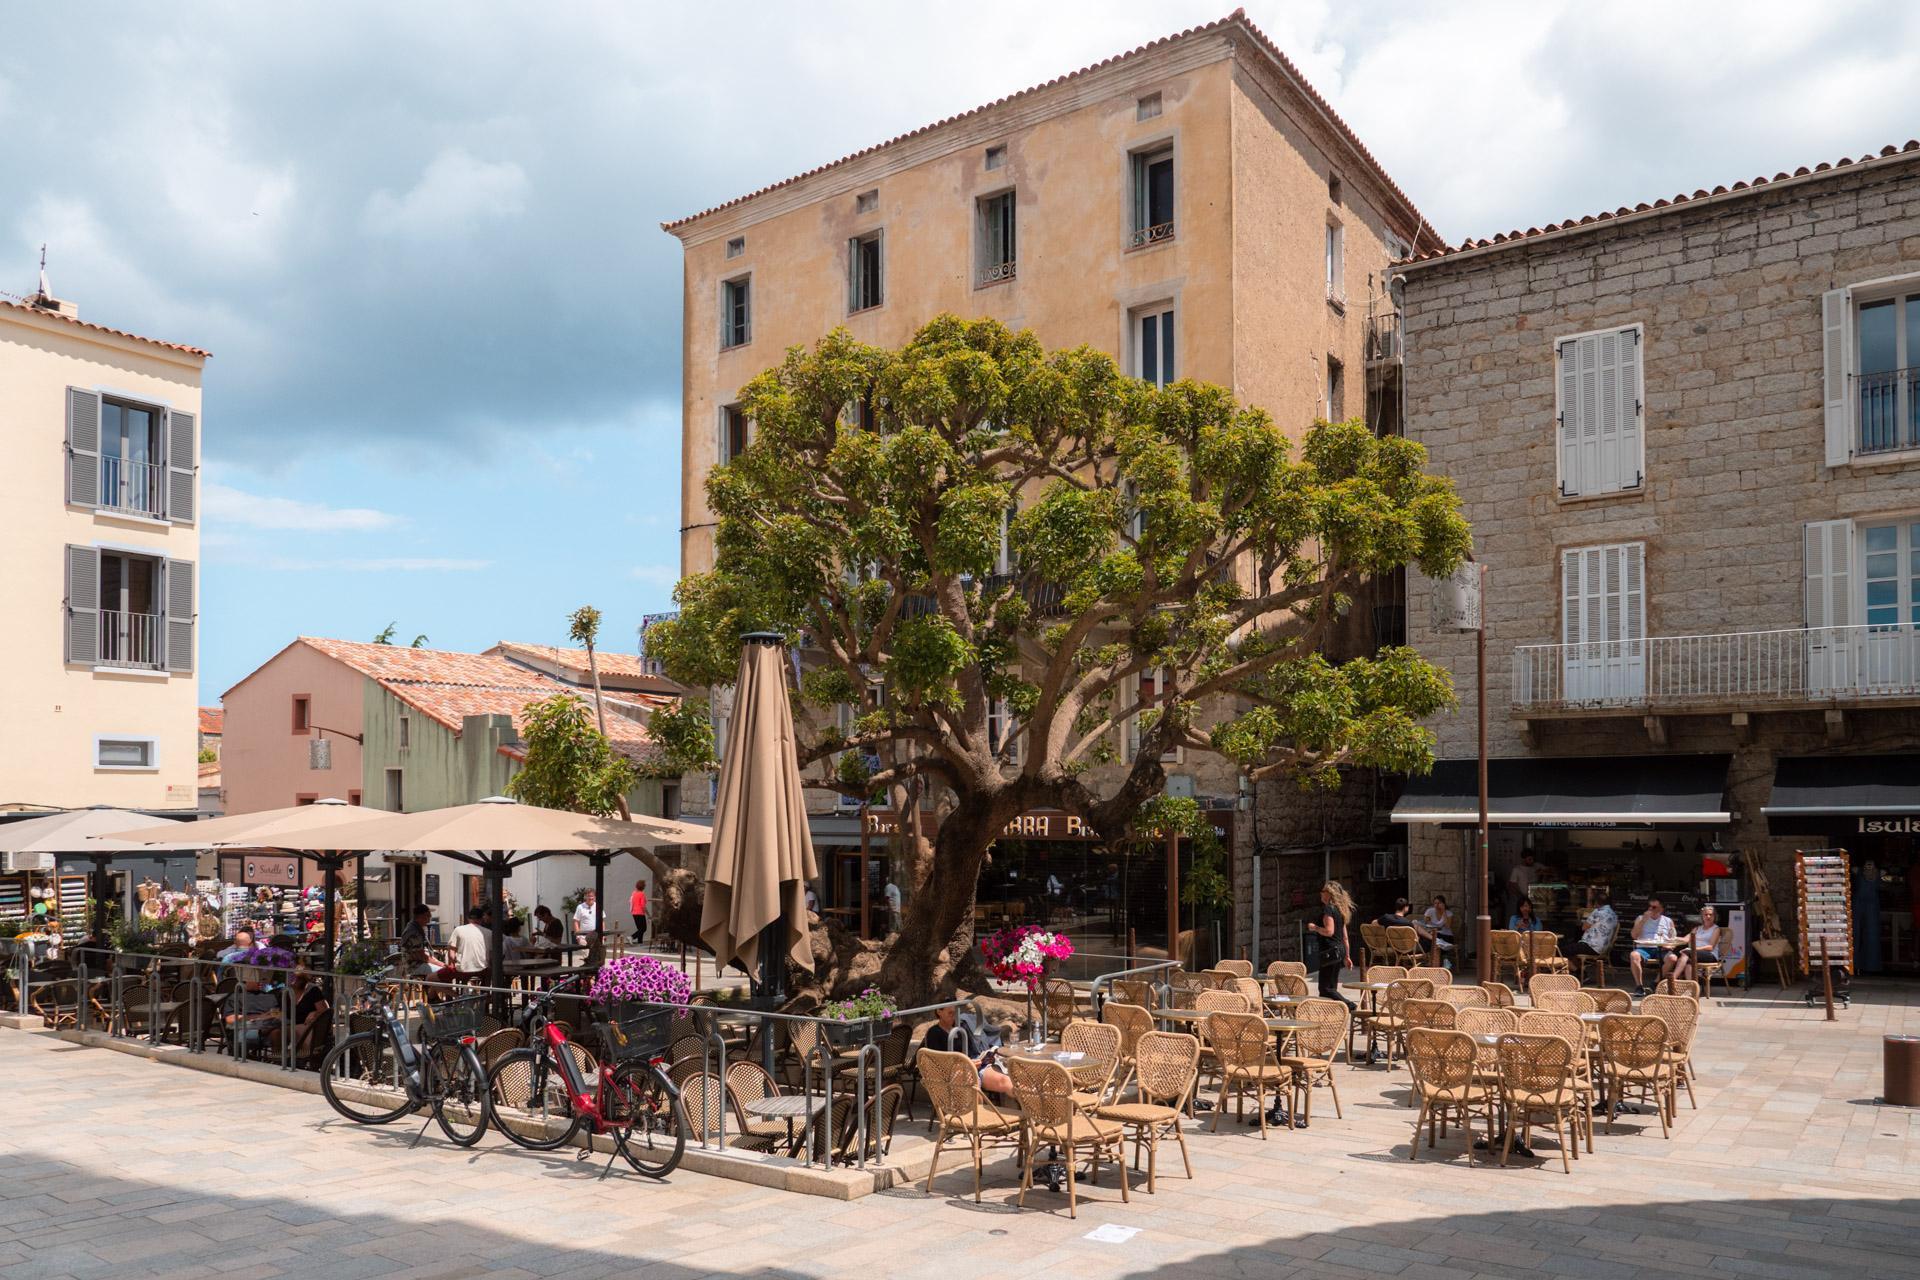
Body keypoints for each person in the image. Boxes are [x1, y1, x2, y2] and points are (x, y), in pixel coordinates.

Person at [919, 1004, 1012, 1094]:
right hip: (955, 1072)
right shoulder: (934, 1033)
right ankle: (977, 1104)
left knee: (1005, 1081)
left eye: (955, 1013)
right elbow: (937, 1066)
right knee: (971, 1085)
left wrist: (986, 1058)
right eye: (950, 1013)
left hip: (973, 1065)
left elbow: (973, 1050)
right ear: (939, 1012)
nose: (954, 1016)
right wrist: (966, 1065)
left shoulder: (962, 1026)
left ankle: (1021, 1102)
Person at [1309, 881, 1356, 1007]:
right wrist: (1347, 956)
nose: (1321, 893)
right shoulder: (1341, 911)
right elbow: (1345, 937)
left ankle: (1350, 1006)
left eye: (1323, 891)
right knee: (1331, 987)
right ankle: (1332, 1013)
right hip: (1338, 951)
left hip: (1329, 951)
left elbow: (1329, 931)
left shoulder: (1329, 909)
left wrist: (1315, 928)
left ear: (1329, 894)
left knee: (1325, 989)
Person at [1627, 896, 1677, 994]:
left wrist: (1670, 946)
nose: (1650, 909)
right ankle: (1639, 986)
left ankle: (1655, 983)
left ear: (1661, 909)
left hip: (1661, 948)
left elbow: (1673, 939)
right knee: (1633, 955)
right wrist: (1643, 921)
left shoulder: (1668, 921)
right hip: (1644, 948)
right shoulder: (1640, 918)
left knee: (1673, 958)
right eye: (1649, 906)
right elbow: (1634, 936)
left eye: (1654, 907)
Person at [288, 968, 332, 1068]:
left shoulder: (312, 991)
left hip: (308, 1026)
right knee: (276, 1032)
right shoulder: (286, 992)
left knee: (300, 1030)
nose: (294, 981)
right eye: (292, 978)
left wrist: (315, 1013)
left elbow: (325, 1011)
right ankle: (280, 1060)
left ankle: (308, 1060)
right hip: (288, 1024)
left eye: (297, 978)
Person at [1569, 890, 1618, 969]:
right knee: (1573, 948)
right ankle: (1578, 970)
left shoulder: (1597, 911)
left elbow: (1584, 927)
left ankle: (1576, 970)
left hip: (1592, 946)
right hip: (1604, 948)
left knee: (1562, 950)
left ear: (1596, 902)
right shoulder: (1614, 914)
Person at [1674, 905, 1721, 983]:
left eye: (1711, 914)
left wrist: (1693, 949)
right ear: (1702, 916)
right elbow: (1685, 939)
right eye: (1706, 914)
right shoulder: (1697, 928)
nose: (1708, 916)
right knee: (1688, 964)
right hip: (1694, 954)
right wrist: (1673, 937)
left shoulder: (1716, 929)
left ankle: (1673, 979)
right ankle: (1692, 987)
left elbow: (1710, 947)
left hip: (1710, 955)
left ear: (1714, 916)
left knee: (1685, 953)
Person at [448, 907, 490, 978]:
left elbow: (452, 952)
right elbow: (492, 955)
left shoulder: (458, 930)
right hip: (482, 970)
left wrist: (452, 964)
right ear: (481, 919)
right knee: (489, 972)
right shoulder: (489, 932)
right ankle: (485, 985)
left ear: (468, 918)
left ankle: (463, 985)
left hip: (462, 969)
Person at [1507, 851, 1540, 920]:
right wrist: (1521, 897)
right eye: (1529, 859)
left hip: (1535, 898)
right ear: (1523, 859)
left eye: (1533, 859)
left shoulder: (1536, 867)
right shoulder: (1517, 869)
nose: (1532, 861)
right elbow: (1512, 885)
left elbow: (1549, 870)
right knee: (1522, 917)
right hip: (1522, 898)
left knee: (1533, 917)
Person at [629, 879, 650, 945]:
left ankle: (640, 942)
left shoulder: (634, 893)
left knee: (640, 929)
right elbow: (643, 906)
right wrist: (648, 914)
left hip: (634, 913)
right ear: (643, 887)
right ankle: (631, 937)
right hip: (640, 913)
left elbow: (632, 901)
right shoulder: (642, 894)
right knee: (643, 929)